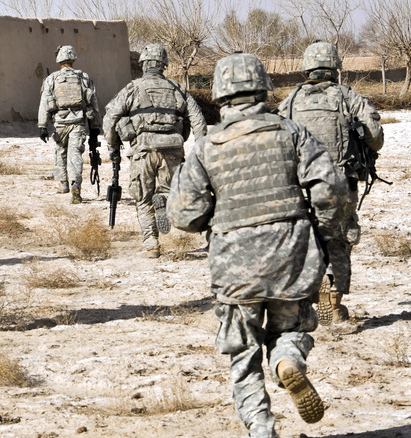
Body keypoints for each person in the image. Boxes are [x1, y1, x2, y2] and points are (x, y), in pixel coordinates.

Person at [168, 53, 348, 438]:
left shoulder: (206, 146)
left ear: (219, 94)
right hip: (292, 256)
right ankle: (286, 359)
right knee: (291, 328)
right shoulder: (292, 133)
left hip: (235, 268)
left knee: (243, 356)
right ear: (263, 88)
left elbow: (183, 216)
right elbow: (331, 189)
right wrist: (322, 233)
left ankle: (262, 430)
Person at [278, 41, 384, 325]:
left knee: (303, 238)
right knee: (340, 238)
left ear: (307, 68)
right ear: (335, 67)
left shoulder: (290, 102)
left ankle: (305, 301)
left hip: (300, 184)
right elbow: (375, 135)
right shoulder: (349, 97)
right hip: (339, 181)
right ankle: (334, 304)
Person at [103, 43, 208, 258]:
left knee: (142, 198)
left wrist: (113, 146)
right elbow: (198, 120)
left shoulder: (132, 88)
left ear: (143, 64)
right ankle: (164, 200)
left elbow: (110, 118)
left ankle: (151, 243)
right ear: (164, 65)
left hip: (143, 149)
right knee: (168, 190)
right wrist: (201, 150)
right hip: (172, 148)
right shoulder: (178, 89)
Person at [37, 45, 102, 204]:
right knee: (75, 156)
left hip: (60, 123)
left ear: (58, 60)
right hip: (78, 123)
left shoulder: (52, 78)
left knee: (60, 153)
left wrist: (42, 126)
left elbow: (44, 103)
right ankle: (76, 189)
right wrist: (95, 126)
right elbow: (93, 102)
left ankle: (63, 185)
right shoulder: (83, 77)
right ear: (73, 58)